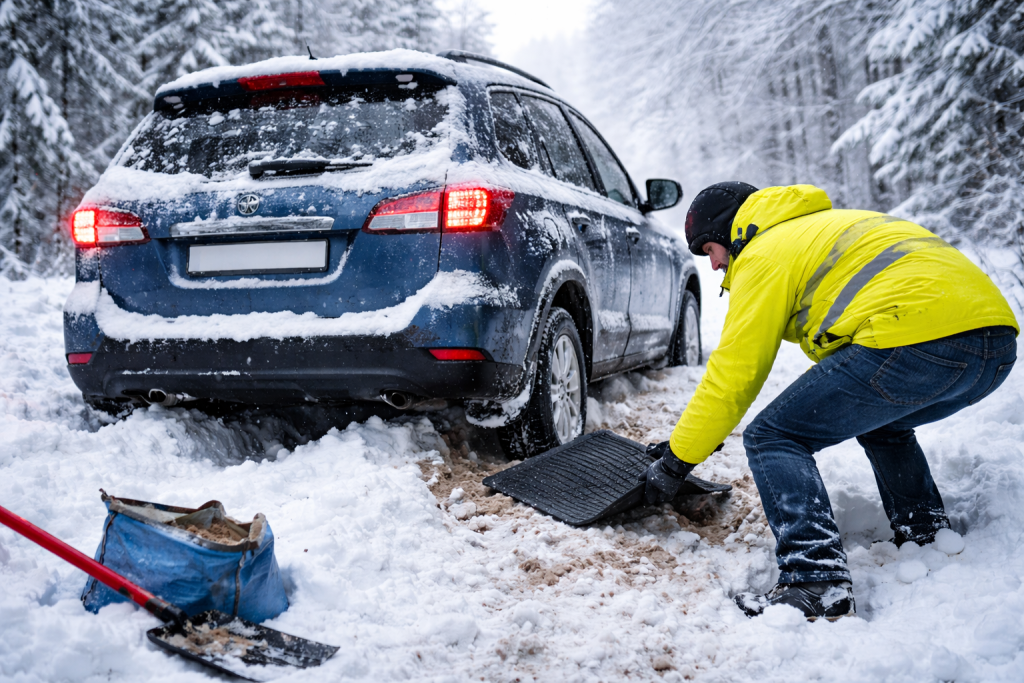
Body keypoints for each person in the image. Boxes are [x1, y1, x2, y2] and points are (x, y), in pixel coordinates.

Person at [641, 182, 1019, 620]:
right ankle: (923, 532)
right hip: (993, 347)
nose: (714, 264)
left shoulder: (764, 252)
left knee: (774, 436)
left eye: (711, 249)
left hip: (916, 340)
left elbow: (734, 374)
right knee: (883, 422)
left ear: (730, 231)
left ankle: (815, 582)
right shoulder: (822, 229)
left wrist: (678, 459)